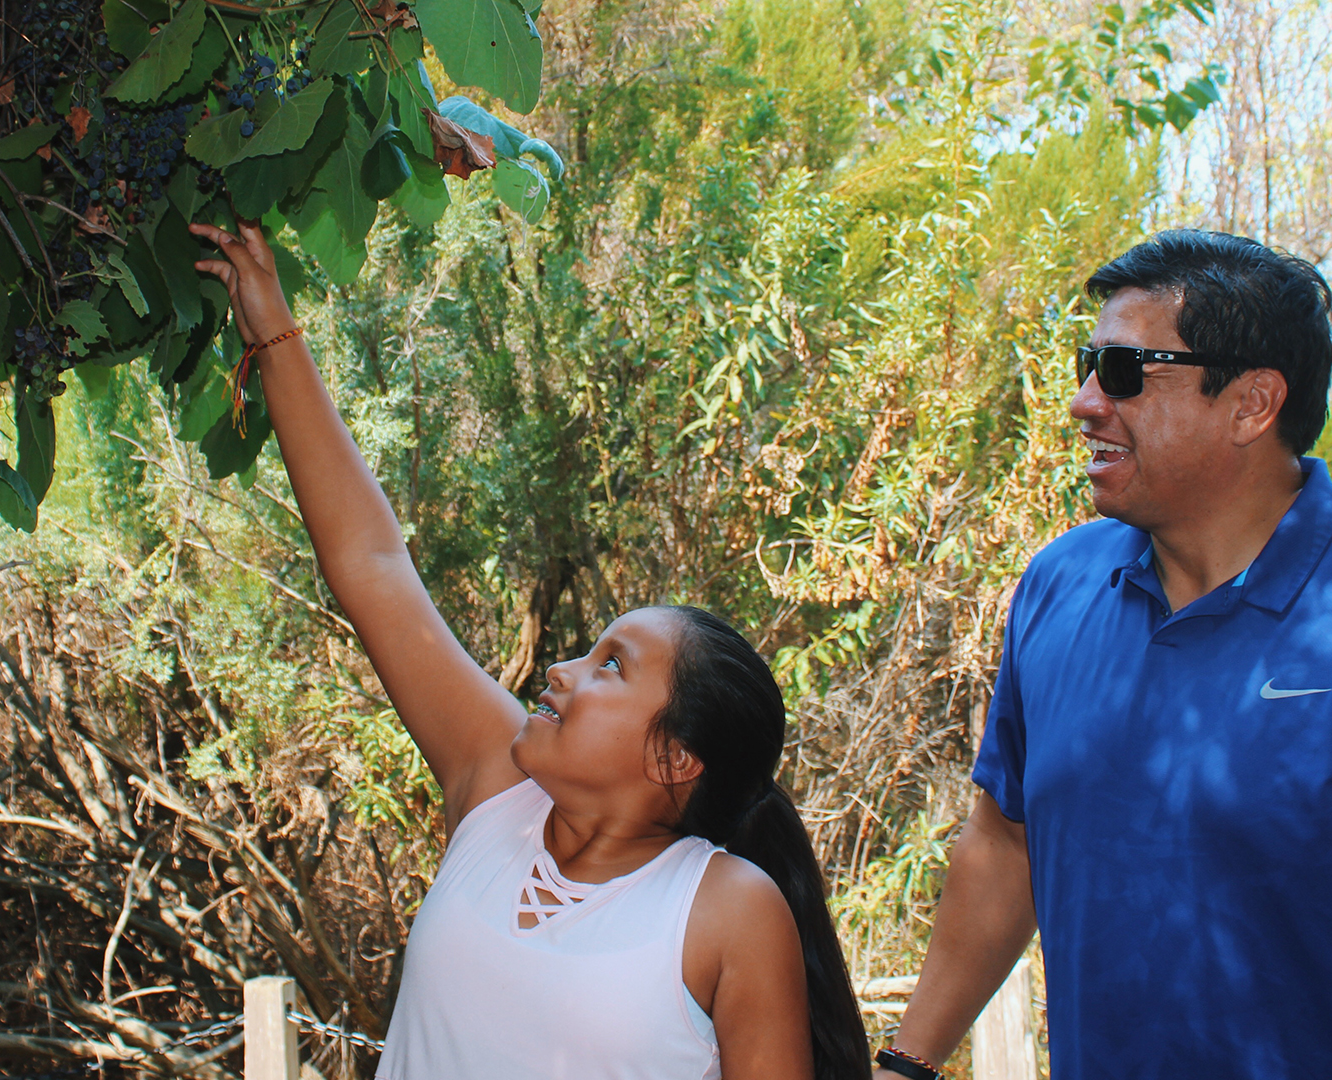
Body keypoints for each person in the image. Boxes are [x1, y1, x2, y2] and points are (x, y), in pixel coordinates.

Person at [190, 220, 871, 1080]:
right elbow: (371, 567)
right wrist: (276, 333)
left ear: (674, 756)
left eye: (611, 665)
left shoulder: (727, 911)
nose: (560, 668)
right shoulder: (497, 797)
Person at [872, 230, 1332, 1080]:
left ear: (1253, 404)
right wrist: (907, 1064)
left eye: (1123, 373)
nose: (1082, 403)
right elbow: (1007, 842)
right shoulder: (1059, 585)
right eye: (1087, 366)